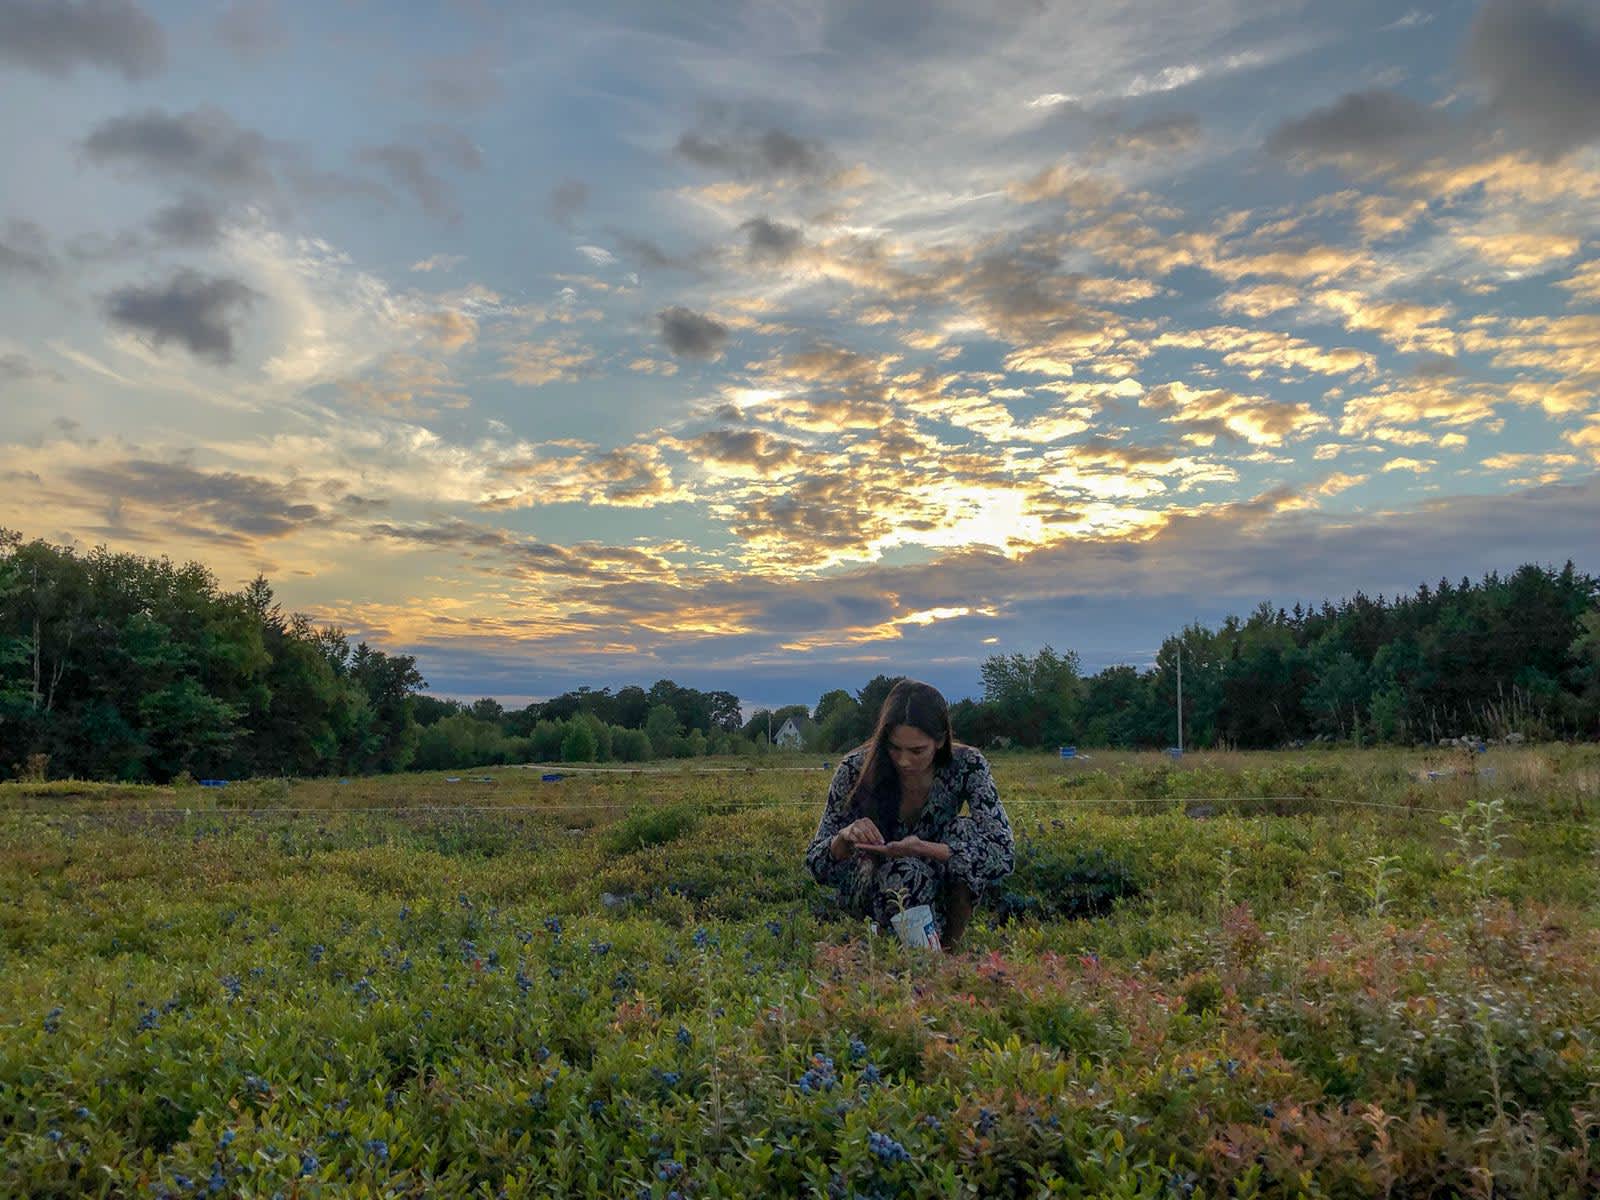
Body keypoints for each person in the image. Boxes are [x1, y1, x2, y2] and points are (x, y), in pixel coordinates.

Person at [805, 679, 1014, 950]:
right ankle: (914, 954)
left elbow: (1002, 853)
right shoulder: (855, 769)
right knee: (905, 871)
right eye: (894, 748)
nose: (904, 761)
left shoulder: (967, 765)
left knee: (964, 831)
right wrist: (844, 839)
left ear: (940, 741)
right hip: (872, 882)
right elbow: (816, 866)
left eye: (917, 751)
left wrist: (926, 849)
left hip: (937, 878)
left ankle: (950, 947)